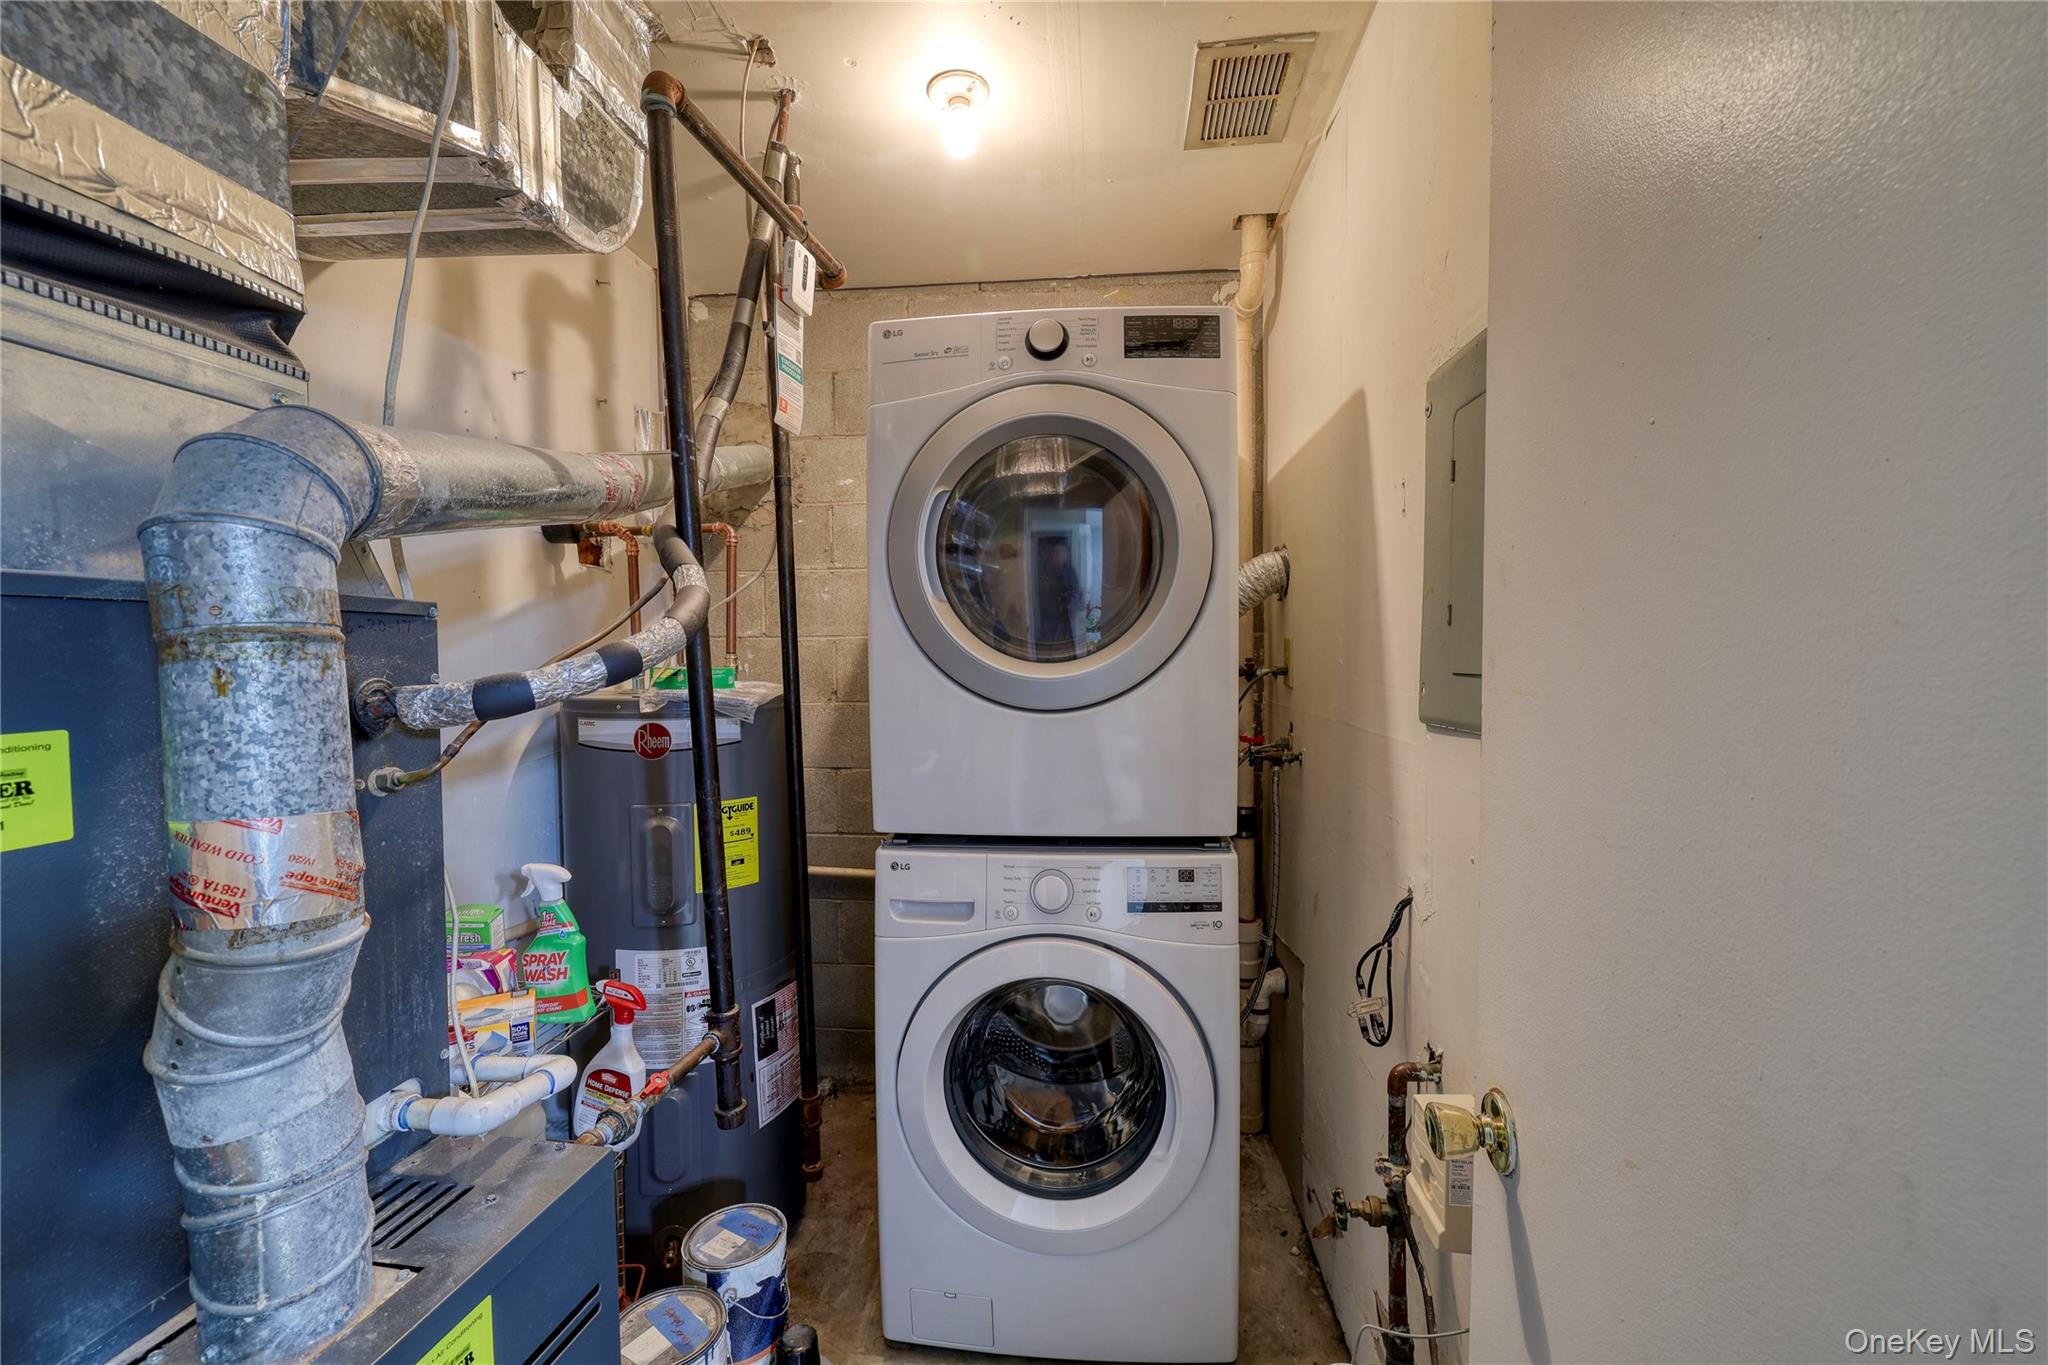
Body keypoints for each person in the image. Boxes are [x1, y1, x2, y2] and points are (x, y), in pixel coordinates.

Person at [1033, 538, 1082, 653]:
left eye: (1062, 552)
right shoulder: (1044, 572)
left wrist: (1070, 600)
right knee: (1048, 644)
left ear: (1067, 555)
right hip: (1048, 617)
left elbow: (1076, 591)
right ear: (1051, 556)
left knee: (1067, 643)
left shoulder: (1071, 572)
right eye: (1056, 553)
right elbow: (1041, 594)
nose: (1059, 556)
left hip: (1067, 617)